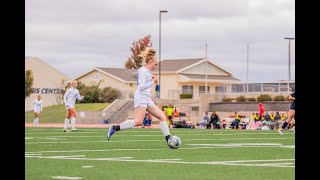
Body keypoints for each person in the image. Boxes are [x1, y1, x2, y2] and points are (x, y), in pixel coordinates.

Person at [107, 48, 172, 147]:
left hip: (146, 98)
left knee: (162, 117)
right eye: (155, 64)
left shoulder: (146, 71)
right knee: (138, 122)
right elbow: (141, 87)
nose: (156, 66)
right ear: (150, 62)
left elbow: (146, 87)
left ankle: (169, 140)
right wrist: (153, 82)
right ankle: (114, 128)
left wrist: (151, 93)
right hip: (141, 97)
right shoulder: (143, 71)